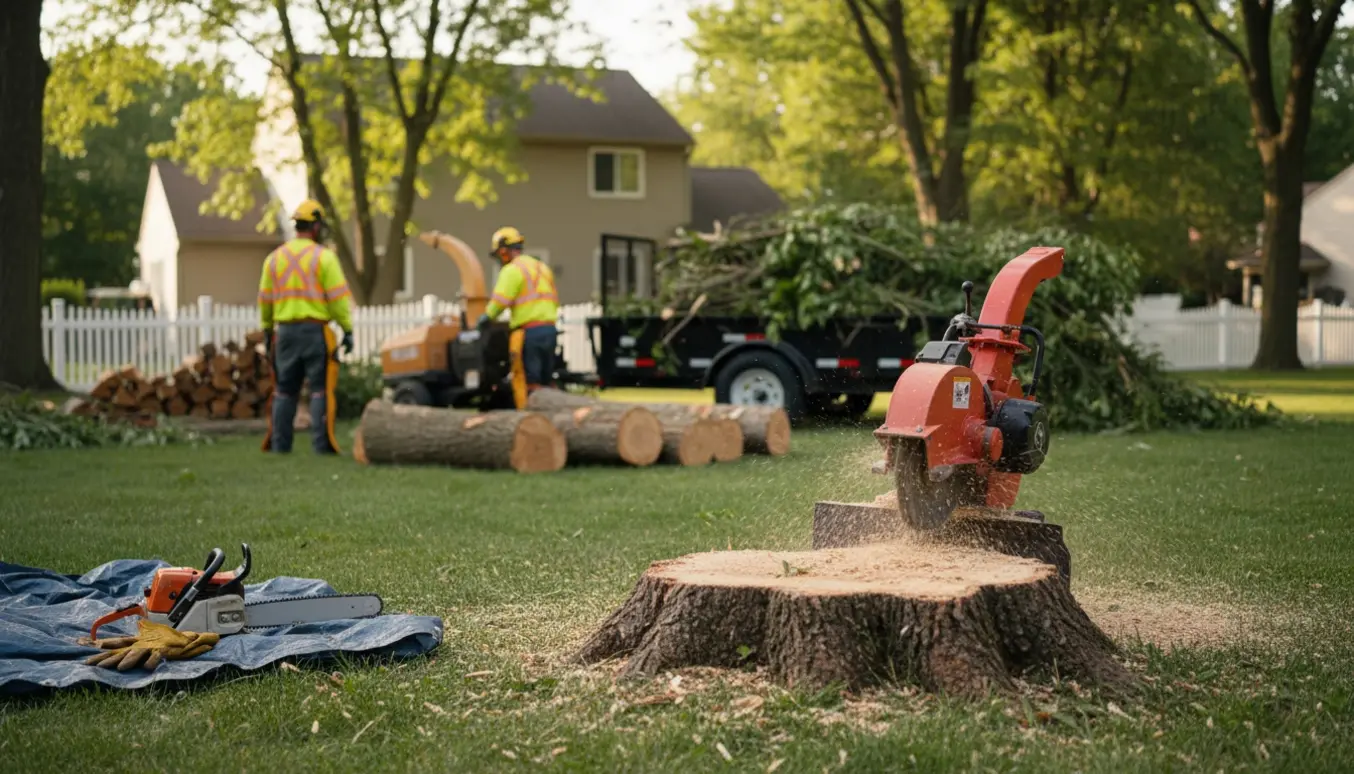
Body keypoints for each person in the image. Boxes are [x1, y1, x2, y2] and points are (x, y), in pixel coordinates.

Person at [257, 199, 354, 454]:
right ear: (316, 226)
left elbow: (265, 300)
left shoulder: (274, 259)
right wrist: (347, 329)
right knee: (320, 390)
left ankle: (280, 446)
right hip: (315, 332)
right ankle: (322, 446)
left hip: (285, 333)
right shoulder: (324, 258)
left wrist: (267, 330)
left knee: (284, 391)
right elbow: (338, 299)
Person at [475, 226, 559, 409]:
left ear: (504, 251)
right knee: (546, 379)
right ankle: (551, 413)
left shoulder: (512, 270)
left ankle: (528, 414)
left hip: (528, 333)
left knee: (527, 379)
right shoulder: (542, 267)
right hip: (550, 329)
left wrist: (486, 317)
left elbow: (500, 301)